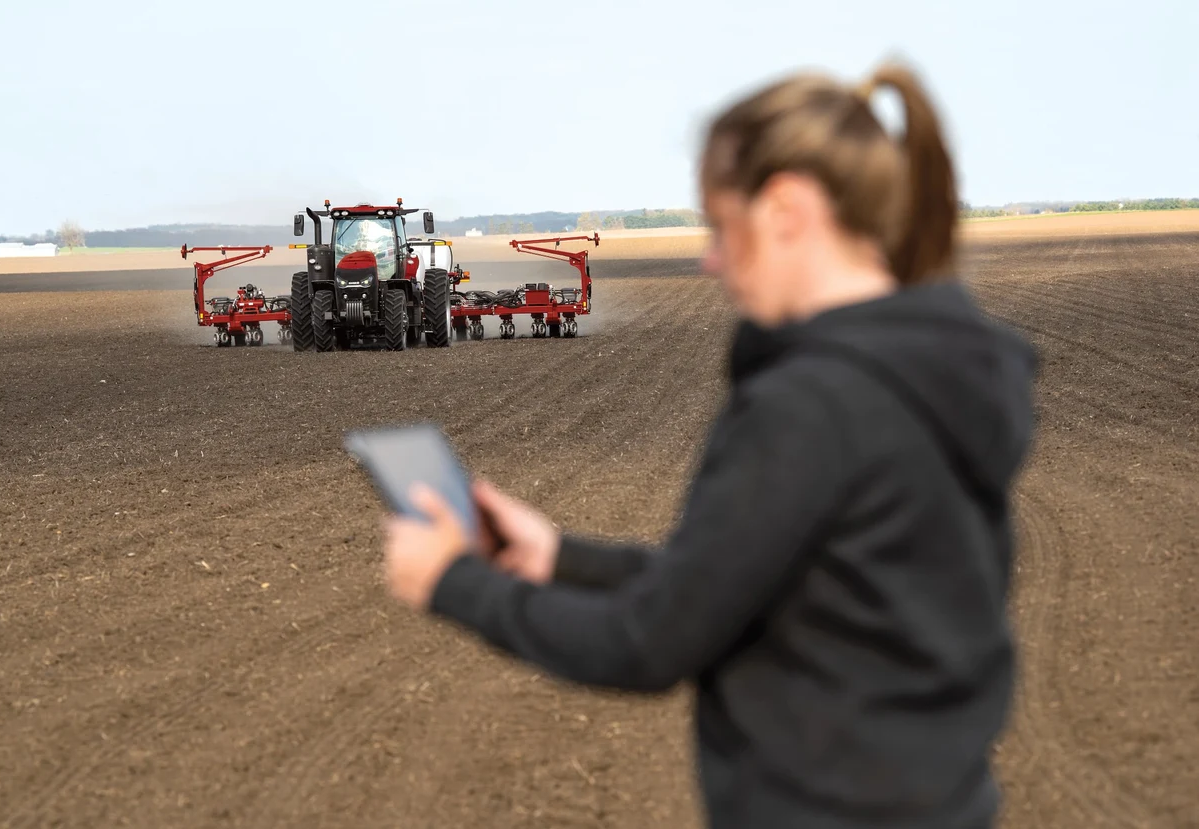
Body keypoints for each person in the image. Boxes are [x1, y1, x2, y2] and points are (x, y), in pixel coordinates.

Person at [381, 60, 1037, 829]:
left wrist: (454, 582)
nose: (710, 258)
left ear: (787, 208)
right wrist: (560, 558)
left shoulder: (812, 404)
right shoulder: (932, 372)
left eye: (722, 226)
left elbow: (649, 642)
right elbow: (753, 586)